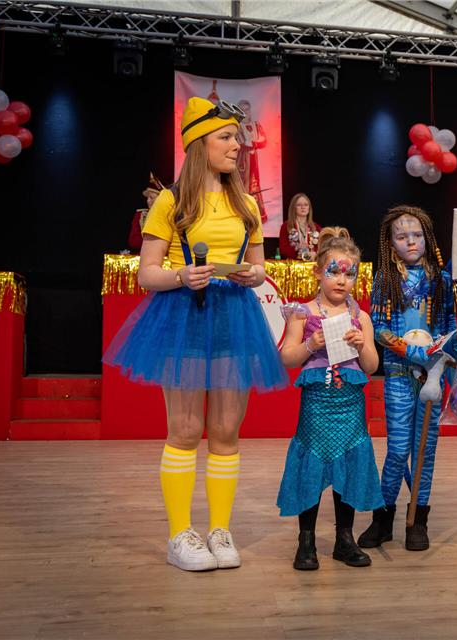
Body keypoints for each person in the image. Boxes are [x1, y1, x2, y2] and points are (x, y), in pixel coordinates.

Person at [104, 97, 288, 571]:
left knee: (226, 431)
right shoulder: (171, 200)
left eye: (236, 136)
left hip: (233, 315)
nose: (236, 145)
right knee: (185, 430)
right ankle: (179, 535)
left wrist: (252, 274)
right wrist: (183, 275)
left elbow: (259, 265)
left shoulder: (247, 203)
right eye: (226, 137)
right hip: (185, 313)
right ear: (198, 144)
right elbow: (147, 274)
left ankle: (220, 531)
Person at [276, 227, 382, 571]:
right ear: (318, 272)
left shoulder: (360, 317)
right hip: (317, 403)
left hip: (349, 403)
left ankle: (344, 539)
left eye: (349, 273)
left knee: (348, 467)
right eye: (334, 271)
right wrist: (311, 345)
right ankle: (305, 540)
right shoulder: (302, 313)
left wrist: (361, 344)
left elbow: (372, 365)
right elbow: (288, 357)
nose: (342, 279)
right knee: (311, 465)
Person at [357, 205, 456, 552]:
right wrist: (412, 353)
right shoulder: (385, 278)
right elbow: (380, 328)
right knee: (398, 449)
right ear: (391, 242)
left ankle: (418, 519)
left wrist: (442, 364)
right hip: (399, 374)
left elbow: (449, 328)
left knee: (424, 451)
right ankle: (382, 519)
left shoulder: (441, 280)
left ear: (427, 238)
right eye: (402, 236)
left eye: (416, 235)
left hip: (432, 376)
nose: (410, 241)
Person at [235, 99, 268, 222]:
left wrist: (253, 143)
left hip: (253, 160)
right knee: (241, 184)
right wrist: (251, 144)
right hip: (241, 161)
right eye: (241, 110)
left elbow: (263, 140)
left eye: (246, 109)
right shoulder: (236, 126)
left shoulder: (256, 125)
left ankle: (255, 214)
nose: (244, 112)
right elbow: (241, 142)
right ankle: (240, 213)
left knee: (254, 184)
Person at [128, 172, 164, 252]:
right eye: (147, 198)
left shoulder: (168, 216)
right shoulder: (140, 215)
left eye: (151, 198)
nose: (148, 201)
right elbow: (133, 241)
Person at [279, 193, 322, 260]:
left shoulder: (316, 227)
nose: (303, 207)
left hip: (312, 264)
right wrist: (297, 248)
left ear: (309, 208)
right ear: (294, 208)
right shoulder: (286, 226)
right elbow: (283, 250)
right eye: (299, 205)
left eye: (306, 205)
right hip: (293, 264)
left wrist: (316, 254)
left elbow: (322, 248)